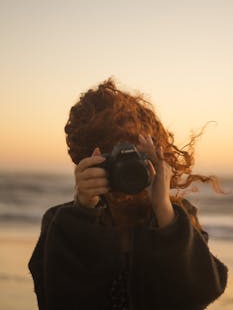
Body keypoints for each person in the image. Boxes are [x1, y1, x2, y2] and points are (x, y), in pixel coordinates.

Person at [28, 78, 228, 310]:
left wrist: (164, 209)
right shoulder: (63, 222)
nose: (125, 165)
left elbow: (201, 292)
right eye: (112, 154)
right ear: (87, 157)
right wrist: (83, 212)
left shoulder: (176, 216)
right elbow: (54, 300)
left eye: (134, 153)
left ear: (156, 153)